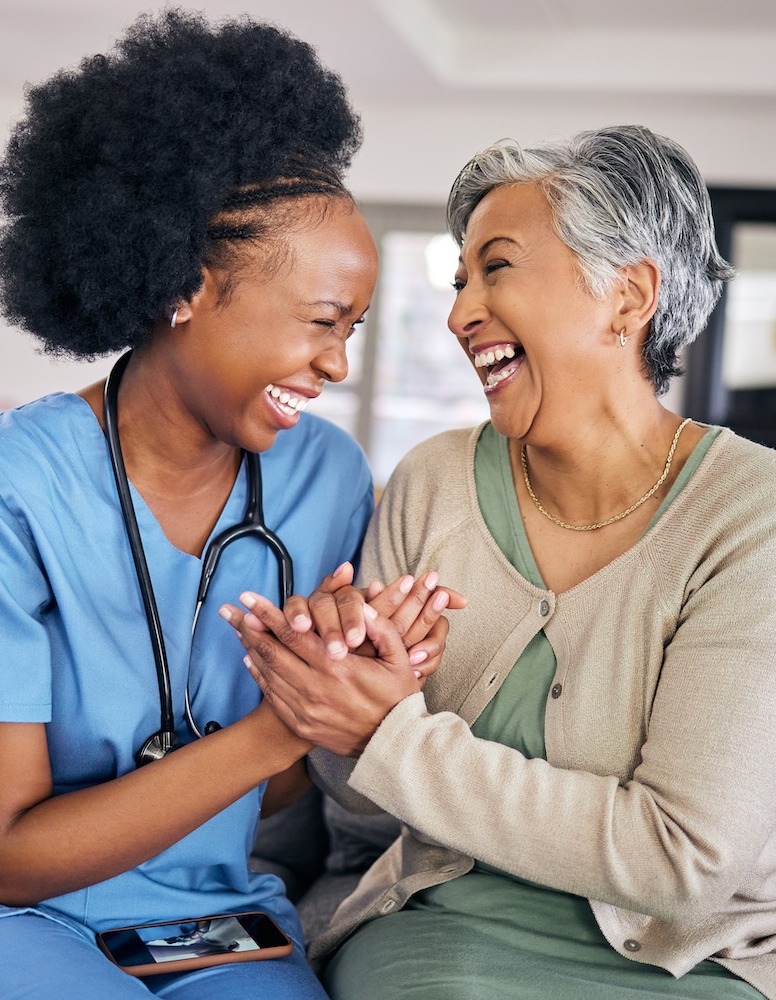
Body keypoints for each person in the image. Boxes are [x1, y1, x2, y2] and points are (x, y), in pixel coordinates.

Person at [231, 125, 776, 999]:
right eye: (458, 280)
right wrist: (352, 688)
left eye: (498, 268)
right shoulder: (434, 483)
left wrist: (387, 731)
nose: (458, 313)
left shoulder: (751, 516)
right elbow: (365, 824)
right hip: (442, 935)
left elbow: (683, 858)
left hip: (696, 960)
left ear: (627, 296)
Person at [0, 10, 453, 999]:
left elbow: (290, 806)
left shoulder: (323, 476)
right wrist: (286, 720)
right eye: (322, 323)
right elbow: (9, 855)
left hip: (225, 920)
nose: (338, 363)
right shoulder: (18, 491)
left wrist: (344, 672)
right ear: (187, 287)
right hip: (31, 916)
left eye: (356, 329)